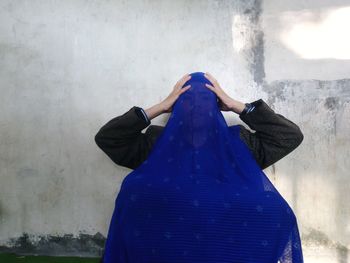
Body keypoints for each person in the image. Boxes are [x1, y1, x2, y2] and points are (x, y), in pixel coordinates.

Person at [95, 72, 304, 262]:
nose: (196, 106)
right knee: (133, 190)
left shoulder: (239, 141)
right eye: (186, 100)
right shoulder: (157, 141)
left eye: (205, 99)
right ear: (176, 105)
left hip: (227, 235)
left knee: (274, 207)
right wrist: (160, 107)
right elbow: (108, 139)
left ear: (217, 104)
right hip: (166, 239)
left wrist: (237, 105)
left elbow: (289, 136)